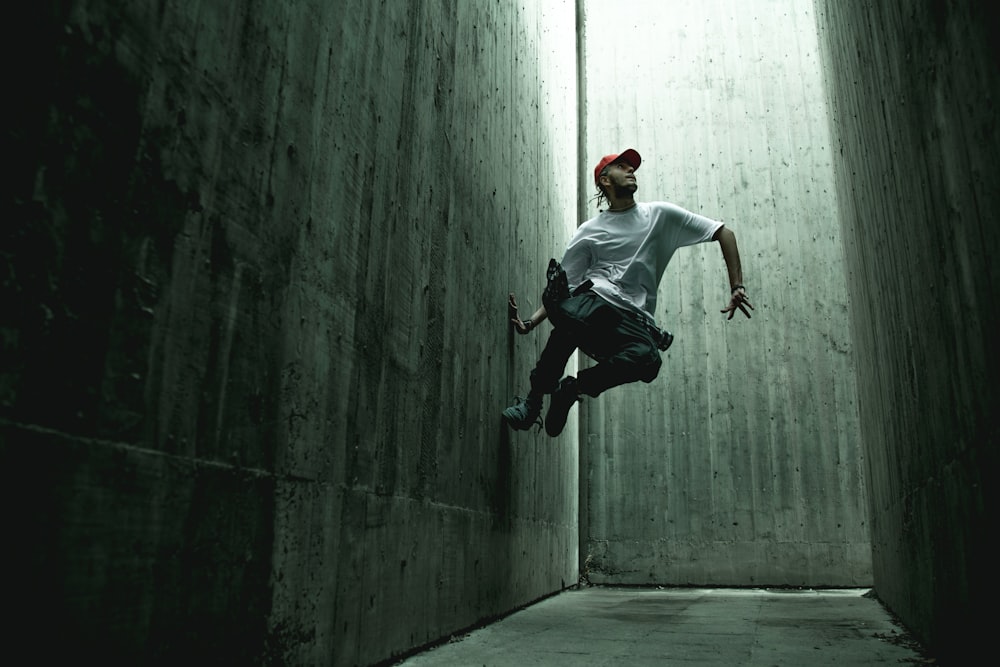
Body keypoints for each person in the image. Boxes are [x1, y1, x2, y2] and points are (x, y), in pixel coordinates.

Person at [502, 148, 752, 436]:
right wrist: (532, 322)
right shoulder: (590, 230)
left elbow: (724, 233)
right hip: (593, 301)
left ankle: (572, 389)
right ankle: (533, 402)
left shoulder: (660, 215)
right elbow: (564, 288)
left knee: (648, 360)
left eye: (632, 167)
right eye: (622, 166)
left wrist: (737, 286)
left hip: (631, 320)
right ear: (605, 181)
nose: (631, 170)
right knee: (571, 313)